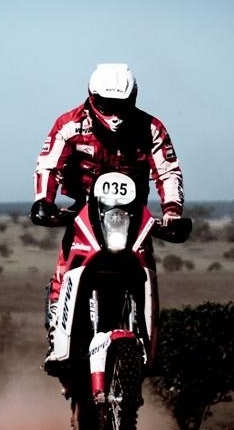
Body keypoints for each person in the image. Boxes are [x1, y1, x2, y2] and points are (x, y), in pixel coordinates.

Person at [30, 63, 184, 373]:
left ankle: (149, 341)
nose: (114, 113)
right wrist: (43, 201)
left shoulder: (151, 128)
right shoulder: (69, 125)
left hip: (133, 212)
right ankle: (57, 338)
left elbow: (167, 170)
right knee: (67, 265)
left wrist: (172, 212)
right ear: (92, 97)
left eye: (121, 104)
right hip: (84, 208)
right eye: (106, 103)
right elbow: (48, 164)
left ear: (133, 99)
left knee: (146, 267)